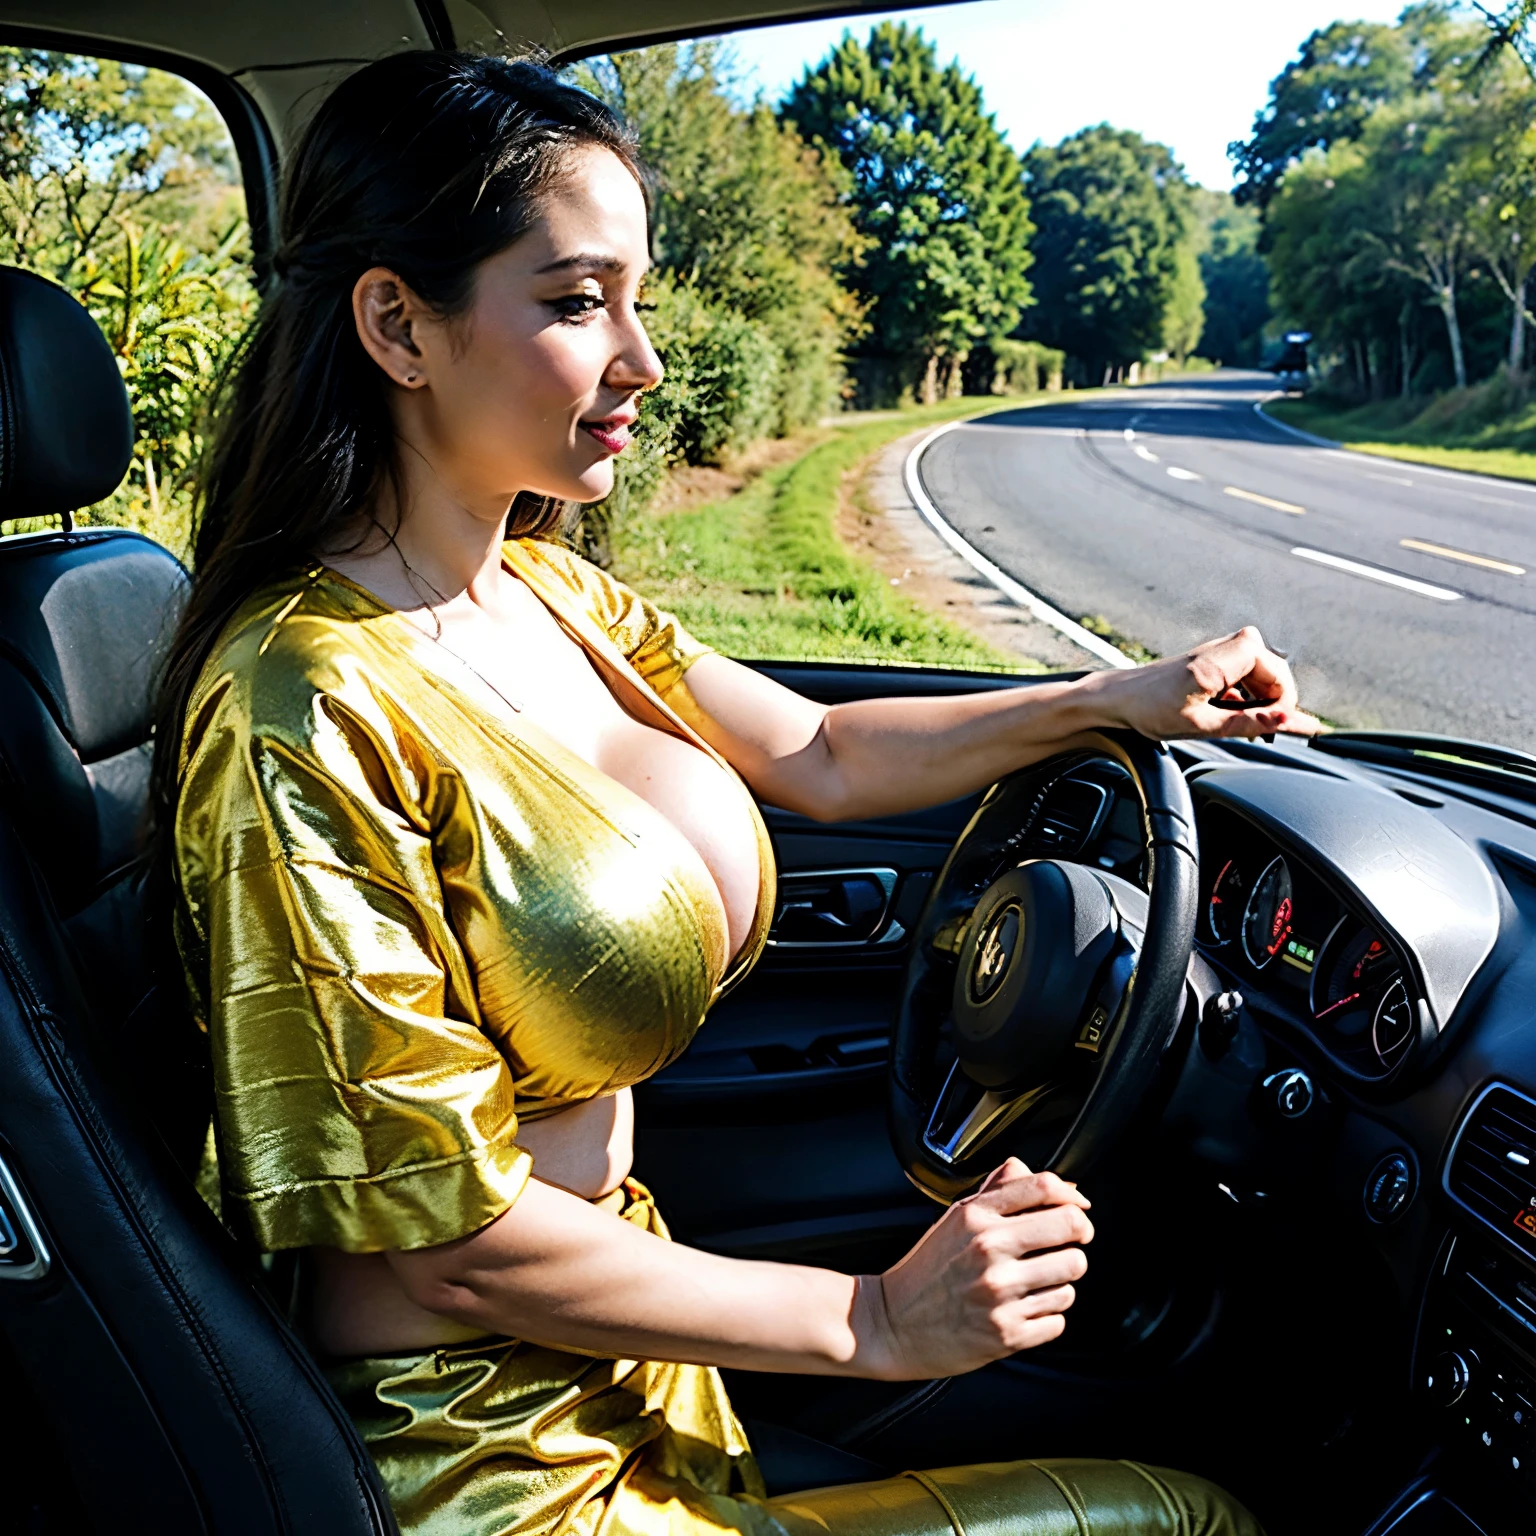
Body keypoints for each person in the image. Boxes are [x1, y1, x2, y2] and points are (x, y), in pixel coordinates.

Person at [156, 50, 1312, 1536]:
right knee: (1191, 1518)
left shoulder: (548, 594)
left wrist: (1114, 698)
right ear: (398, 324)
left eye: (638, 296)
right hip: (487, 1460)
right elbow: (437, 1246)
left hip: (627, 1374)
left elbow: (820, 757)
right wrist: (871, 1323)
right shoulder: (298, 707)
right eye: (578, 303)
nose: (641, 358)